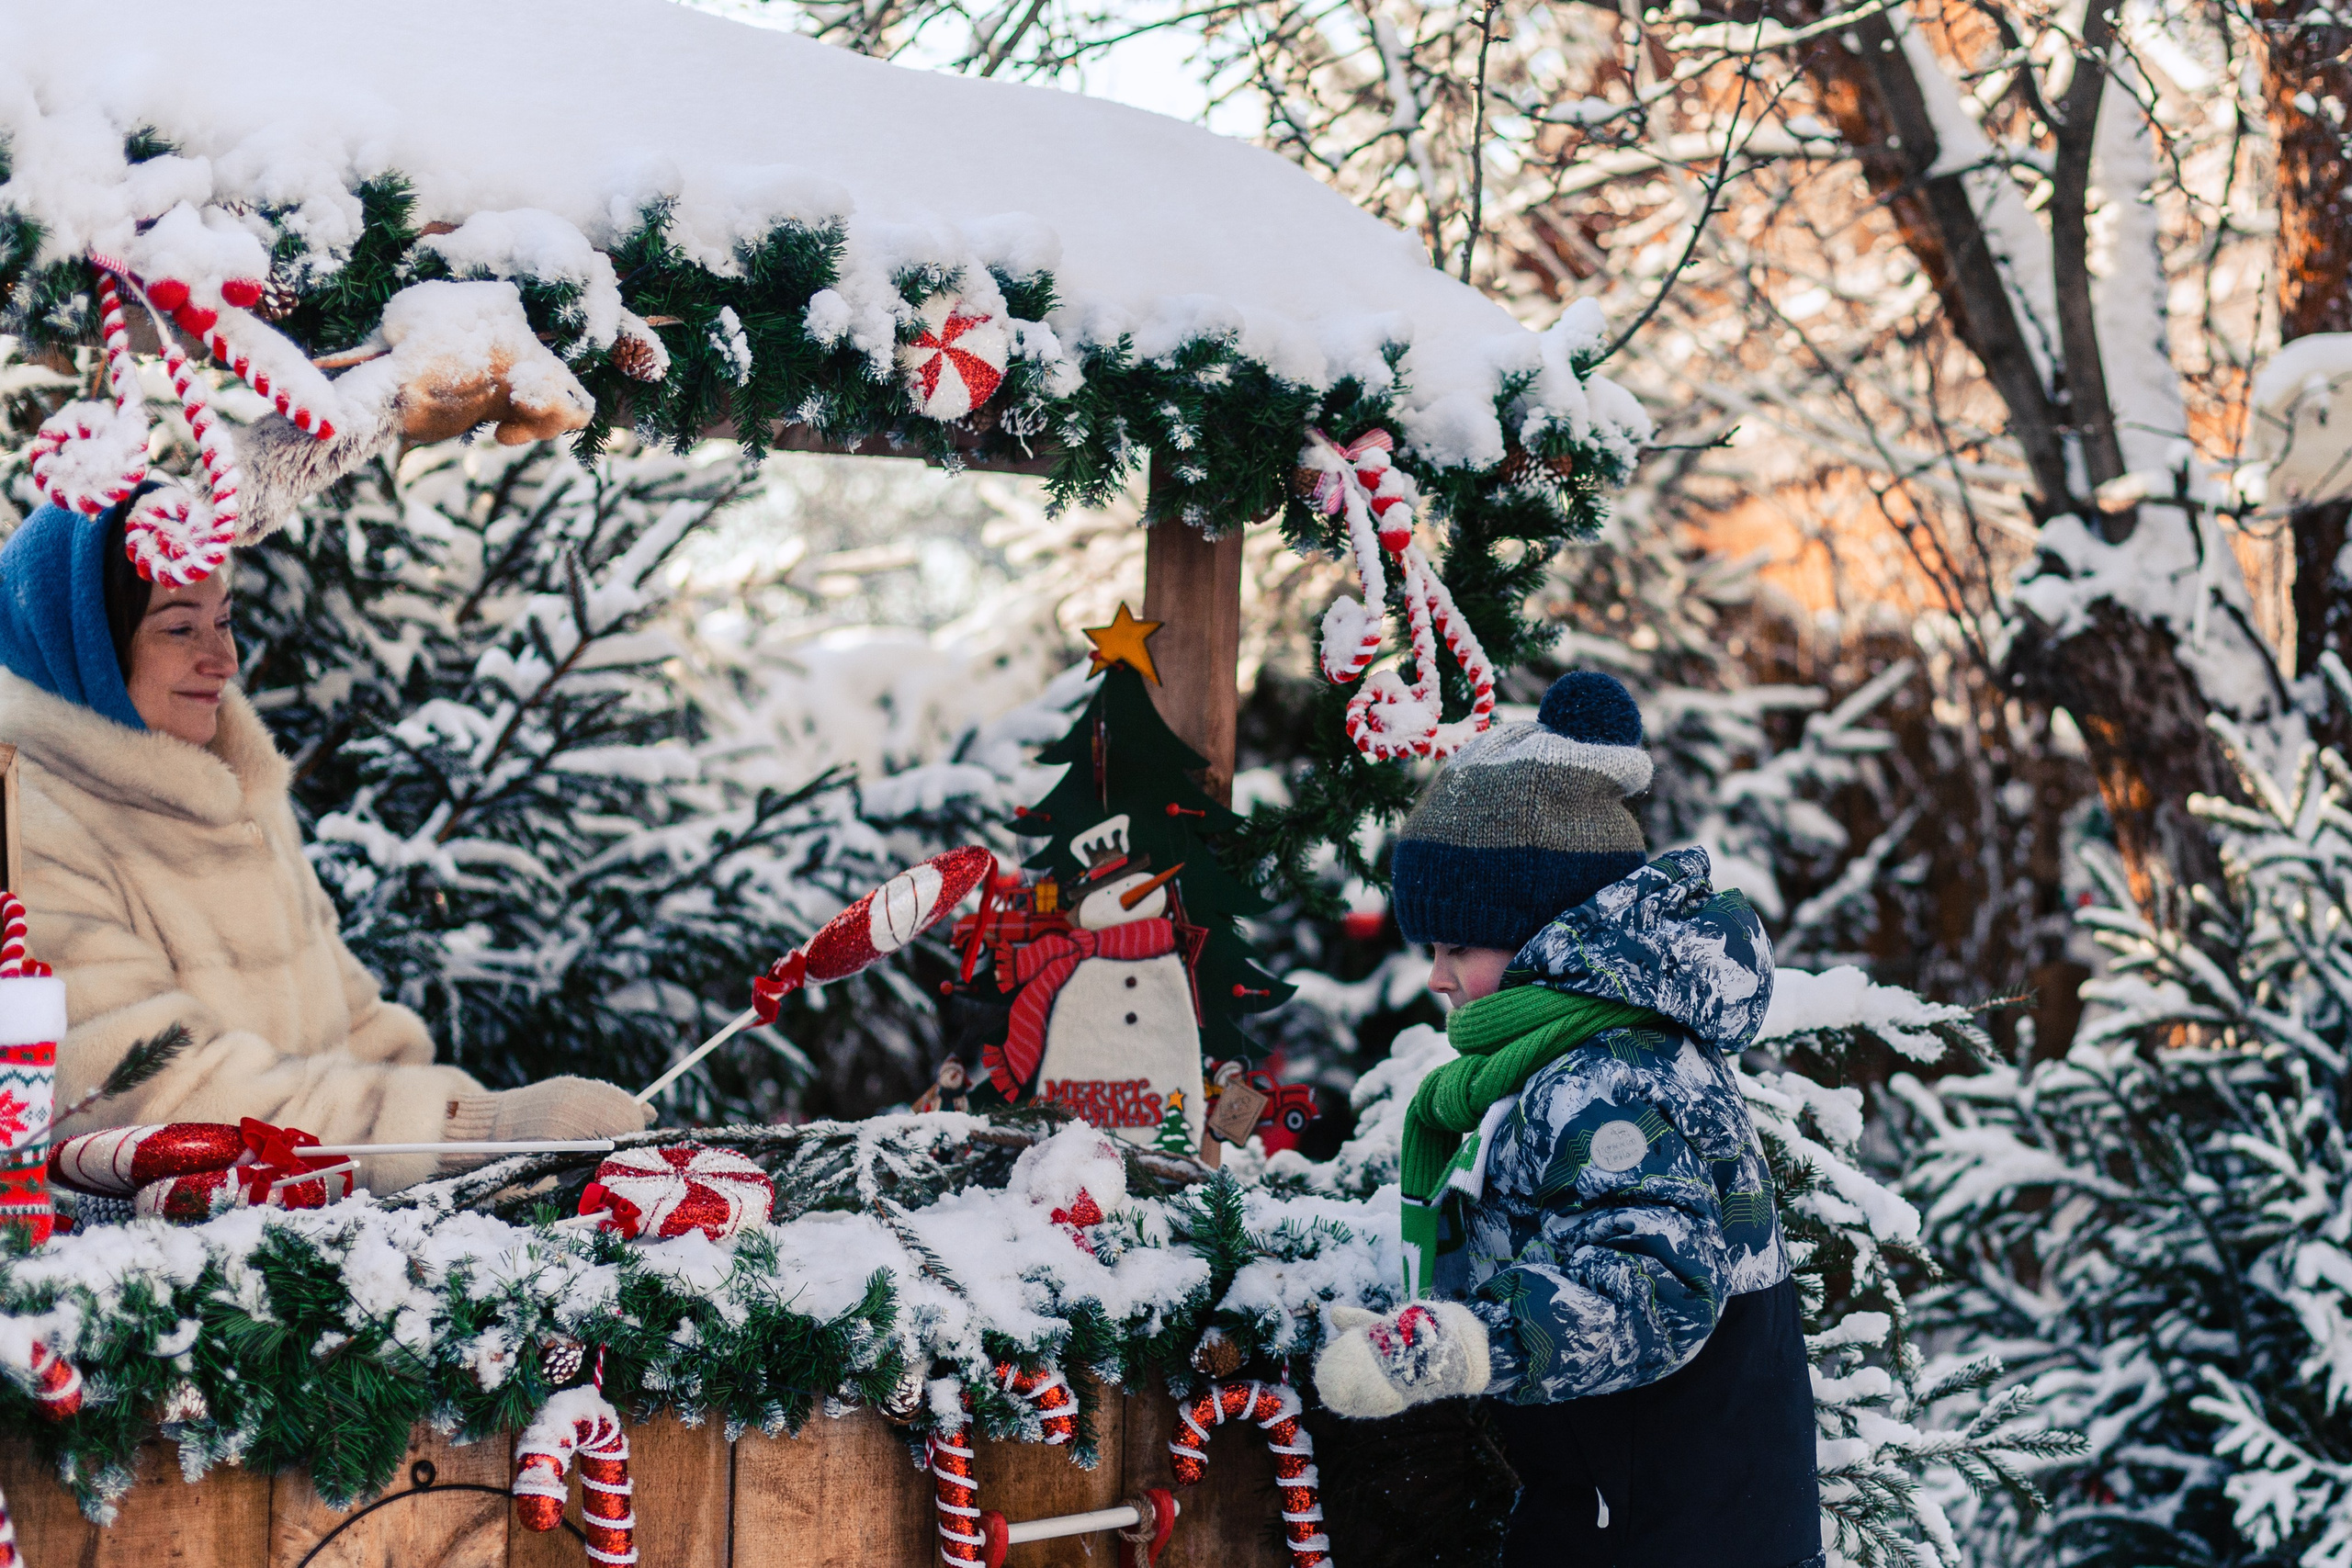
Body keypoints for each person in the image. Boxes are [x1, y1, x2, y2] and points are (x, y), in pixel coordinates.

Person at [0, 371, 648, 1193]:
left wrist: (491, 1157)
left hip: (329, 1248)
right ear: (84, 645)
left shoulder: (234, 794)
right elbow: (151, 1092)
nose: (223, 659)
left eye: (224, 620)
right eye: (178, 628)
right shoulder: (32, 826)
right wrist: (465, 1134)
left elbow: (359, 1027)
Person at [1313, 670, 1820, 1568]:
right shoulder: (1592, 1055)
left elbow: (1653, 1293)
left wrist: (1460, 1349)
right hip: (1652, 1520)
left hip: (1661, 1535)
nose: (1436, 978)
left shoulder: (1606, 1083)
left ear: (1543, 929)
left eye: (1454, 945)